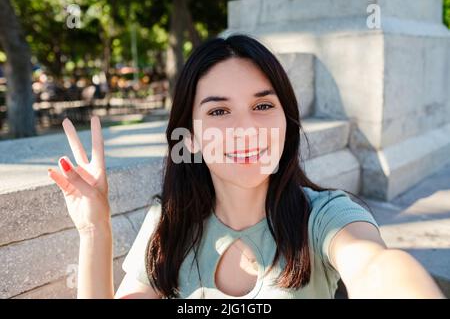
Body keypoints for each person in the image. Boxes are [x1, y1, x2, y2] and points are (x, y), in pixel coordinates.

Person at [47, 34, 444, 299]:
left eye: (262, 106)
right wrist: (94, 229)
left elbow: (378, 268)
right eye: (219, 110)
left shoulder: (326, 218)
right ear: (192, 136)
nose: (245, 130)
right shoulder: (169, 225)